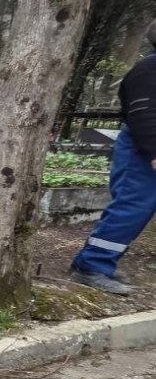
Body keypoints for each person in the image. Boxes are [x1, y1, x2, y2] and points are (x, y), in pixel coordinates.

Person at [69, 20, 156, 295]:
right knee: (131, 209)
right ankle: (91, 265)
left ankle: (96, 262)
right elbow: (143, 113)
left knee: (136, 210)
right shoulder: (149, 69)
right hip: (141, 152)